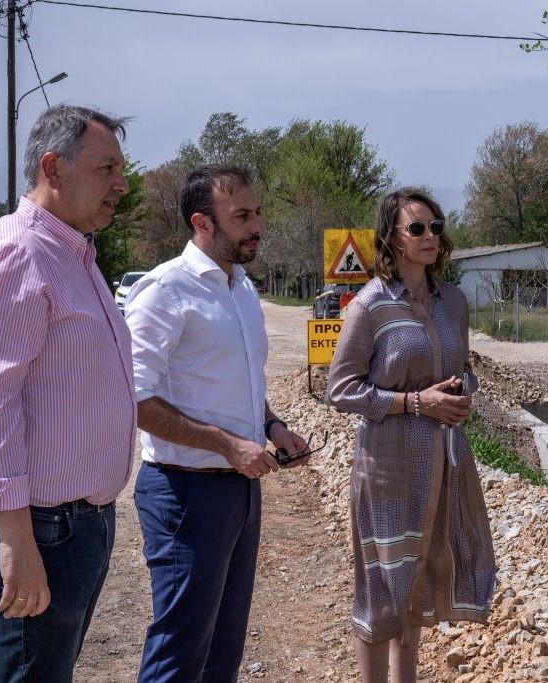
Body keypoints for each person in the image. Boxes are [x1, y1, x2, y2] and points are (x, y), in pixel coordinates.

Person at [0, 105, 136, 681]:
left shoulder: (72, 252)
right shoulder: (18, 253)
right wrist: (16, 541)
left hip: (78, 520)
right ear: (53, 167)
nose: (121, 185)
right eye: (107, 168)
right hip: (37, 525)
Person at [125, 164, 310, 682]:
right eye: (243, 216)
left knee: (222, 654)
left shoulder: (241, 287)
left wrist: (271, 427)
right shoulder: (164, 291)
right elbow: (134, 399)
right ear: (202, 223)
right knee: (180, 652)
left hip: (238, 494)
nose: (258, 226)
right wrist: (228, 445)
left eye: (258, 213)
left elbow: (238, 385)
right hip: (185, 494)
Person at [327, 187, 496, 682]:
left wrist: (464, 392)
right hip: (387, 466)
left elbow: (463, 367)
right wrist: (417, 402)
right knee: (382, 588)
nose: (430, 236)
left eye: (436, 227)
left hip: (442, 464)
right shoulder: (370, 306)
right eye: (417, 228)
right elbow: (341, 390)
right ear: (392, 238)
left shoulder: (454, 303)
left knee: (415, 585)